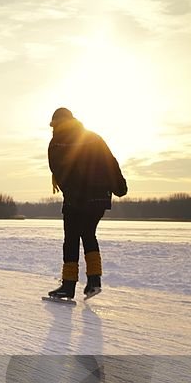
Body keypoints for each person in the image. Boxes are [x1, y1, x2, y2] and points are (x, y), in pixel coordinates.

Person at [47, 107, 127, 300]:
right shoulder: (93, 137)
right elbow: (110, 161)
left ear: (56, 124)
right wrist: (120, 186)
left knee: (72, 239)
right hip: (99, 197)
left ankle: (68, 285)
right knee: (89, 234)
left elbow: (61, 172)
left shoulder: (57, 143)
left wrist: (72, 195)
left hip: (78, 199)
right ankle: (94, 281)